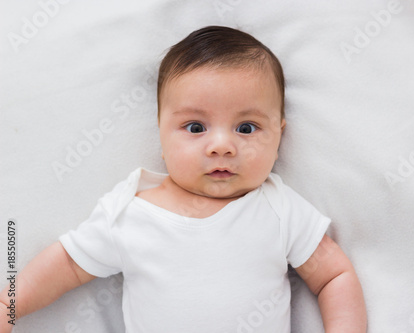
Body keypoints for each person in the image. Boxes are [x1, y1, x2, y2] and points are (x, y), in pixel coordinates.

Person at [0, 26, 367, 332]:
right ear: (161, 138)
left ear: (279, 137)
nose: (221, 146)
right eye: (195, 127)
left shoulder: (278, 208)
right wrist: (10, 303)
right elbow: (66, 264)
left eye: (246, 127)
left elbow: (333, 276)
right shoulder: (129, 214)